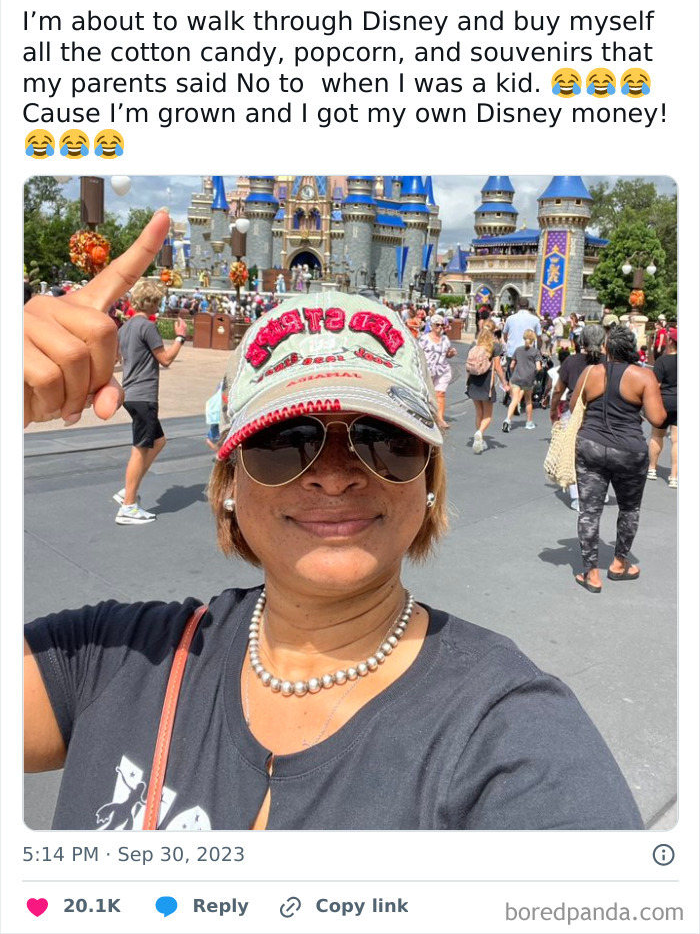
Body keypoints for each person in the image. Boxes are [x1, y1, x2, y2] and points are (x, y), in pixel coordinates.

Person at [24, 222, 644, 829]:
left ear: (428, 476)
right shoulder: (117, 663)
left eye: (383, 439)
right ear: (229, 478)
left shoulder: (510, 739)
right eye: (284, 439)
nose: (335, 476)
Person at [569, 325, 666, 593]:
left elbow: (573, 404)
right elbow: (657, 419)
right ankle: (619, 564)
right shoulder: (644, 377)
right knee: (629, 509)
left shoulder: (591, 372)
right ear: (632, 347)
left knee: (589, 510)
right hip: (629, 452)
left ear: (607, 349)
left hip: (590, 446)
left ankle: (590, 573)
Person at [113, 278, 188, 524]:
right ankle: (128, 505)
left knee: (158, 441)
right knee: (140, 448)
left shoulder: (124, 329)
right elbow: (165, 359)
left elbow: (118, 358)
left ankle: (129, 488)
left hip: (131, 393)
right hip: (144, 395)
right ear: (153, 302)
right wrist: (180, 338)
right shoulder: (147, 327)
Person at [549, 324, 607, 511]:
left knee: (573, 453)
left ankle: (576, 496)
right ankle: (600, 491)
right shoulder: (608, 362)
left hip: (574, 410)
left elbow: (558, 389)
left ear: (581, 341)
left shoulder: (571, 362)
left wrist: (553, 410)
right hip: (601, 412)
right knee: (600, 452)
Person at [465, 323, 509, 453]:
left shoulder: (474, 346)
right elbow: (498, 367)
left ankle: (479, 439)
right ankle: (480, 433)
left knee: (479, 412)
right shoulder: (495, 346)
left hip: (473, 381)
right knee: (488, 415)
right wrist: (504, 382)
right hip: (486, 382)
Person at [647, 327, 678, 488]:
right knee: (677, 441)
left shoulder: (662, 361)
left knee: (657, 436)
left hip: (664, 401)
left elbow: (656, 385)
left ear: (671, 342)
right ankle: (674, 476)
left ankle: (652, 468)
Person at [419, 315, 456, 430]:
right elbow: (418, 354)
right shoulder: (424, 339)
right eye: (437, 325)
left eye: (442, 325)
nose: (440, 327)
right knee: (426, 395)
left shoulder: (445, 339)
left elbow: (447, 354)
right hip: (427, 371)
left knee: (440, 394)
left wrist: (451, 354)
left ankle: (440, 419)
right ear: (431, 326)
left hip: (442, 370)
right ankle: (424, 415)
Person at [502, 330, 541, 432]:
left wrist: (515, 372)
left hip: (516, 378)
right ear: (533, 339)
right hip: (528, 379)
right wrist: (534, 374)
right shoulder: (535, 352)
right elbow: (538, 367)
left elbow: (511, 365)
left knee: (514, 399)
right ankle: (529, 422)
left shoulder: (518, 350)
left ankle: (507, 420)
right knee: (528, 400)